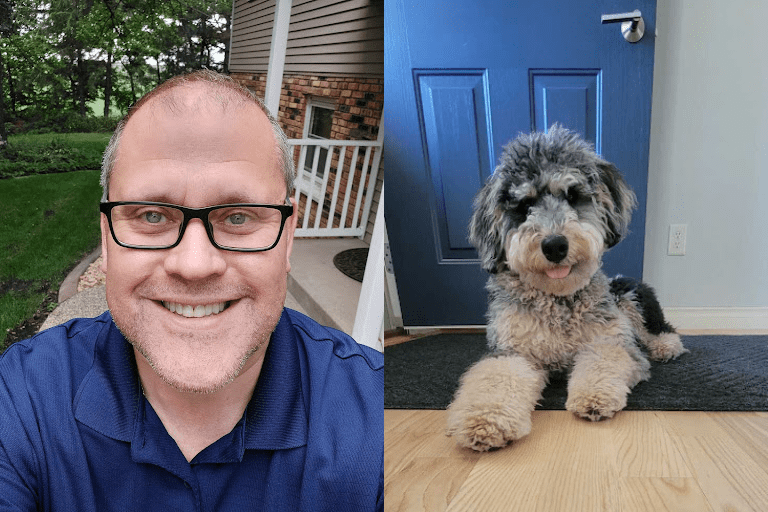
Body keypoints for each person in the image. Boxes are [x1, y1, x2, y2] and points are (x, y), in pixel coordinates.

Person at [0, 70, 383, 511]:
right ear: (106, 239)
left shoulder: (372, 415)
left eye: (238, 217)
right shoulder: (22, 398)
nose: (195, 264)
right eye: (150, 216)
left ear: (288, 236)